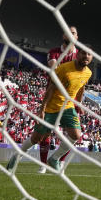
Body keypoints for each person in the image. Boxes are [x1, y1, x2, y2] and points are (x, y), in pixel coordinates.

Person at [7, 48, 93, 174]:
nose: (86, 56)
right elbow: (51, 88)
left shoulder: (88, 73)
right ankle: (17, 155)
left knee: (76, 135)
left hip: (68, 107)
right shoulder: (64, 68)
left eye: (89, 54)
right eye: (83, 53)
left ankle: (54, 159)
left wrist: (79, 104)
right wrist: (42, 109)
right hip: (51, 108)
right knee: (36, 138)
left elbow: (81, 87)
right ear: (78, 54)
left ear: (92, 57)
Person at [39, 26, 79, 174]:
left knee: (73, 134)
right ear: (64, 35)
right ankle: (43, 164)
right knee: (45, 132)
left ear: (77, 37)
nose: (71, 34)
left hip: (69, 100)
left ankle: (59, 161)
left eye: (73, 32)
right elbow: (55, 70)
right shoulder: (54, 52)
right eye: (68, 32)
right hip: (52, 97)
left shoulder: (79, 56)